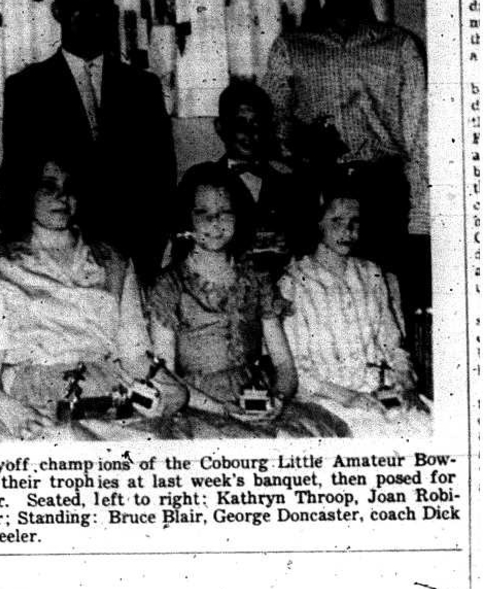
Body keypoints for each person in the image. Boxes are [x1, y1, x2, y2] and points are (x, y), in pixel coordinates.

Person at [263, 0, 430, 332]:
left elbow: (421, 140)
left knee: (385, 318)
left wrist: (423, 225)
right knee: (317, 318)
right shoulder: (290, 48)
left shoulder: (401, 46)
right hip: (314, 200)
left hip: (382, 200)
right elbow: (274, 137)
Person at [0, 156, 185, 441]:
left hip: (106, 394)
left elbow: (135, 356)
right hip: (31, 402)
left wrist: (173, 390)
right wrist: (9, 410)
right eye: (48, 186)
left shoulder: (113, 261)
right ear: (26, 192)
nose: (62, 196)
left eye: (70, 187)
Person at [1, 0, 176, 285]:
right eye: (76, 5)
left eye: (96, 6)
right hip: (57, 258)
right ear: (57, 11)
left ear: (110, 12)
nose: (87, 14)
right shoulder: (26, 88)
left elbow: (161, 182)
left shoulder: (143, 87)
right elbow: (17, 183)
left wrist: (147, 255)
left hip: (135, 257)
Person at [147, 169, 348, 438]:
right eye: (202, 212)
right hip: (200, 405)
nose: (215, 222)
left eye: (225, 212)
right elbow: (166, 376)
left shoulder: (256, 279)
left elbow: (285, 366)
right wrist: (222, 409)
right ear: (187, 218)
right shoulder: (169, 285)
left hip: (258, 398)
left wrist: (276, 398)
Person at [278, 189, 430, 438]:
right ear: (317, 223)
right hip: (329, 398)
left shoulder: (371, 273)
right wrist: (348, 397)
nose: (348, 230)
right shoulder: (295, 282)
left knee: (425, 427)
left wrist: (405, 381)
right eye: (337, 221)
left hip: (381, 390)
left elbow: (392, 344)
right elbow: (296, 368)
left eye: (354, 222)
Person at [178, 79, 307, 274]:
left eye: (258, 124)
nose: (250, 133)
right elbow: (182, 244)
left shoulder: (289, 184)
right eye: (240, 124)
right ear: (220, 127)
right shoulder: (199, 181)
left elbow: (304, 246)